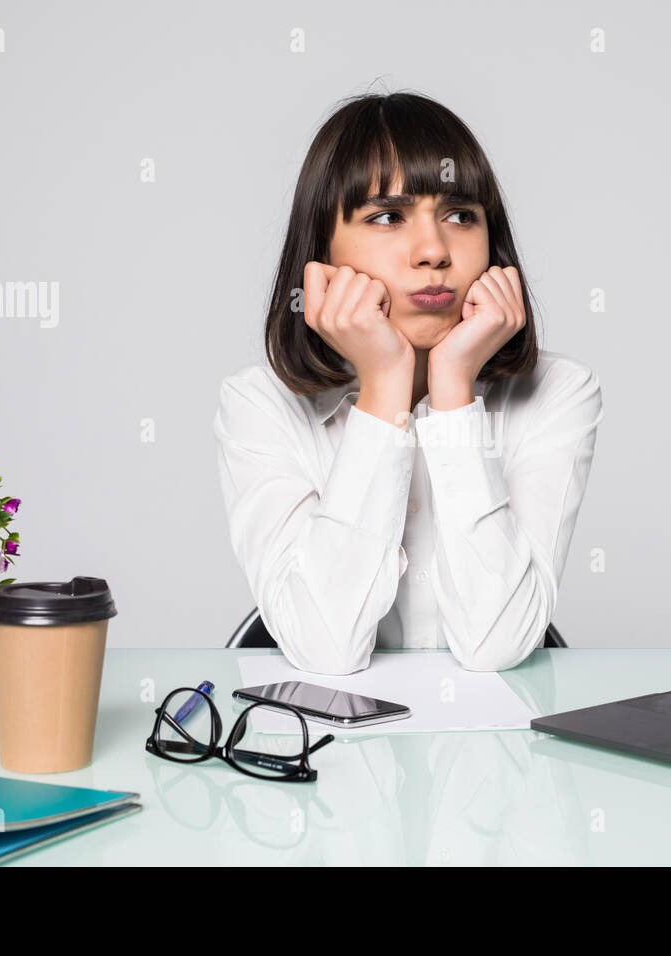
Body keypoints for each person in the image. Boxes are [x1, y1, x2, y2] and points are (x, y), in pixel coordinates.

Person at [213, 90, 603, 675]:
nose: (434, 252)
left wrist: (453, 389)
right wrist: (384, 386)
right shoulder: (256, 405)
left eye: (460, 215)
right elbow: (327, 648)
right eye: (388, 217)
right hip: (331, 752)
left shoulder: (561, 392)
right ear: (321, 252)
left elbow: (497, 644)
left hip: (494, 754)